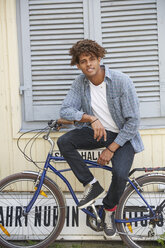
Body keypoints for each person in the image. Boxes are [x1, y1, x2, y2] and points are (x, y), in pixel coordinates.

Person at [57, 39, 144, 237]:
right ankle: (92, 185)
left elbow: (133, 122)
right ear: (78, 65)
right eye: (83, 61)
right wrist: (89, 118)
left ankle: (108, 211)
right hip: (98, 132)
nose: (89, 64)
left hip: (123, 136)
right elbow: (65, 110)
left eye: (92, 59)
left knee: (120, 174)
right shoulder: (80, 83)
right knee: (64, 141)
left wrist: (111, 148)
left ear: (100, 58)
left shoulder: (122, 81)